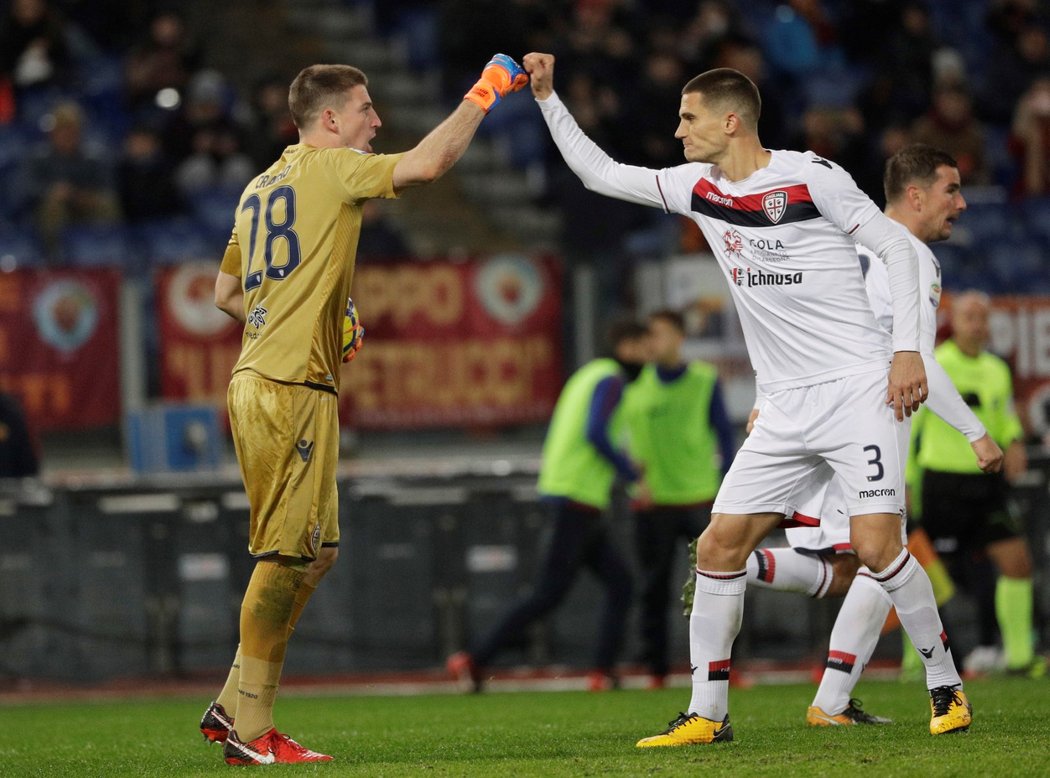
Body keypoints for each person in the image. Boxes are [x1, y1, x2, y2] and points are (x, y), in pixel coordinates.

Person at [522, 53, 971, 745]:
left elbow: (900, 251)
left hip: (857, 392)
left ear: (730, 121)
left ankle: (945, 684)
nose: (677, 131)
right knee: (718, 545)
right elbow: (599, 173)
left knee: (877, 549)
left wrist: (908, 349)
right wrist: (549, 98)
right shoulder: (696, 187)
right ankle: (708, 713)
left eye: (688, 117)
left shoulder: (811, 176)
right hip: (786, 406)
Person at [200, 54, 530, 765]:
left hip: (270, 376)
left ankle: (232, 701)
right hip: (289, 387)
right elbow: (429, 164)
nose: (376, 121)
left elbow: (226, 296)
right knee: (285, 556)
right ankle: (251, 732)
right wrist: (488, 88)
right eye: (366, 109)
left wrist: (316, 312)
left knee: (317, 551)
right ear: (329, 120)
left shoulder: (260, 186)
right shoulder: (331, 168)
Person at [742, 145, 1004, 726]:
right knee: (881, 555)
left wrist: (769, 398)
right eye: (951, 190)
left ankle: (832, 699)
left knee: (872, 560)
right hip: (866, 415)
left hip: (817, 405)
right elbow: (913, 358)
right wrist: (975, 431)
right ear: (915, 196)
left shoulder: (840, 239)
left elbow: (788, 319)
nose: (960, 204)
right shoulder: (905, 253)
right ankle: (733, 563)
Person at [446, 320, 649, 693]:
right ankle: (473, 658)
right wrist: (630, 472)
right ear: (626, 345)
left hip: (579, 499)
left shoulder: (588, 375)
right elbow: (595, 432)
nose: (648, 358)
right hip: (575, 498)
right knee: (548, 594)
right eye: (644, 348)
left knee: (620, 584)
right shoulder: (611, 379)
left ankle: (602, 671)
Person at [911, 290, 1043, 677]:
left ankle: (1018, 657)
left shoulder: (996, 370)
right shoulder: (935, 365)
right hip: (941, 484)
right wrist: (905, 483)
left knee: (1017, 562)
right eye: (970, 317)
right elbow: (911, 428)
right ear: (954, 320)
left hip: (986, 485)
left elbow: (1004, 420)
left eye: (983, 318)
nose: (978, 325)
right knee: (917, 576)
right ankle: (913, 661)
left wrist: (1015, 441)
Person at [622, 308, 735, 689]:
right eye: (649, 335)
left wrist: (729, 487)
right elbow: (622, 438)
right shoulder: (634, 385)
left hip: (699, 499)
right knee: (652, 587)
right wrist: (632, 480)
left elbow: (724, 435)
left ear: (680, 337)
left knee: (718, 585)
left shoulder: (703, 379)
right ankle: (656, 671)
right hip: (654, 503)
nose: (654, 342)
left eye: (661, 333)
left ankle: (725, 668)